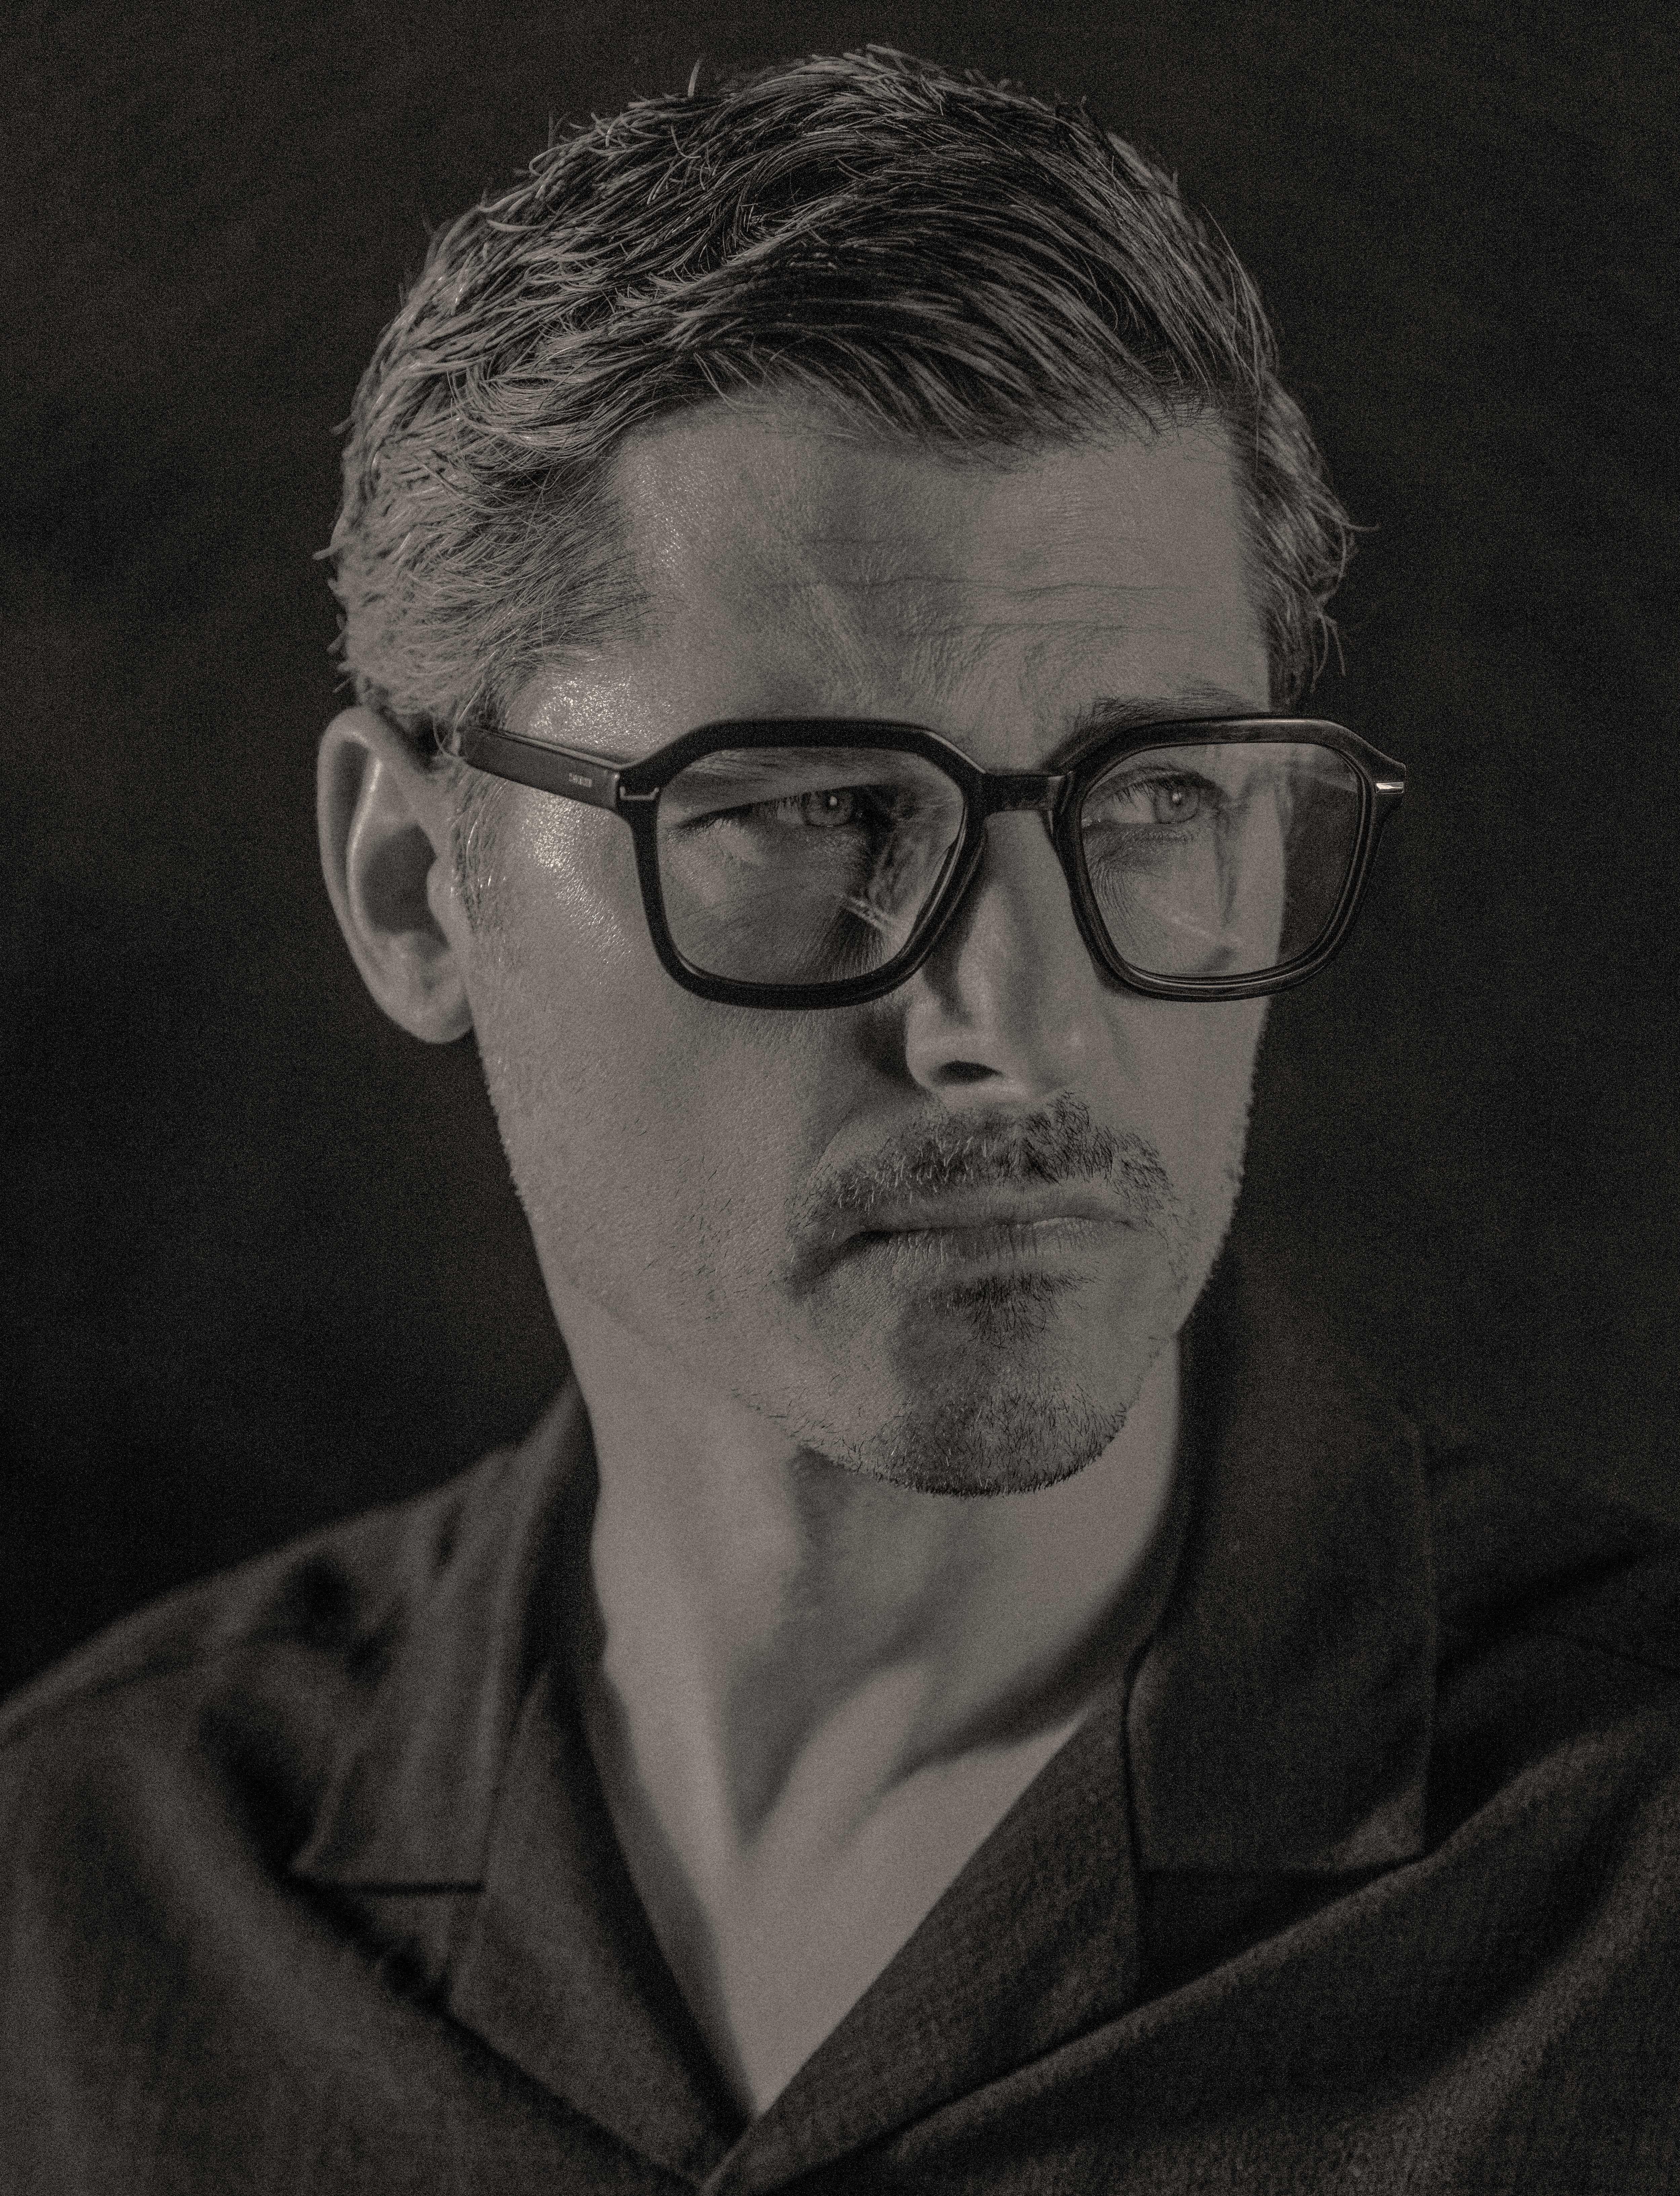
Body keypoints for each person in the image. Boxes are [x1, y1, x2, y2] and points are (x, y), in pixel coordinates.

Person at [3, 45, 1676, 2195]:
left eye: (1154, 796)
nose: (1006, 1020)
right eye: (806, 809)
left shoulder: (1626, 1899)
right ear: (416, 888)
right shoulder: (80, 1913)